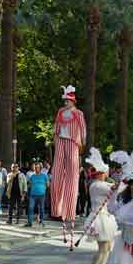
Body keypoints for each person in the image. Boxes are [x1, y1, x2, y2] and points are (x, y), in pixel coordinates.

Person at [50, 86, 87, 239]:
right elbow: (55, 126)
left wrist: (82, 142)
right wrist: (54, 137)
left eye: (68, 100)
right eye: (64, 100)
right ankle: (56, 210)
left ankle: (70, 212)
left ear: (73, 101)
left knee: (72, 177)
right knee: (56, 174)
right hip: (60, 141)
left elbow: (83, 128)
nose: (65, 103)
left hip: (73, 142)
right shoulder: (60, 112)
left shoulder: (78, 113)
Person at [26, 162, 50, 227]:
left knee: (41, 208)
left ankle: (41, 221)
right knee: (31, 208)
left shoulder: (44, 176)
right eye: (35, 167)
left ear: (40, 168)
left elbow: (48, 185)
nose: (36, 168)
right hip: (33, 195)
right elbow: (29, 185)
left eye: (38, 167)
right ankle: (29, 222)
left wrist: (43, 189)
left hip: (42, 195)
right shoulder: (32, 176)